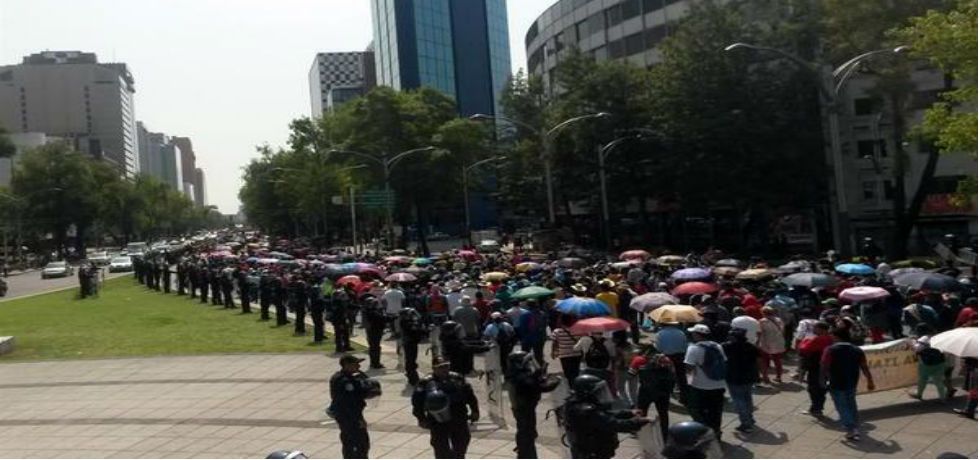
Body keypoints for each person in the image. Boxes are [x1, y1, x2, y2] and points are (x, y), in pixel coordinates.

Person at [561, 373, 650, 458]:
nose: (600, 394)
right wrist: (637, 422)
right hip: (593, 454)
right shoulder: (586, 411)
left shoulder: (577, 404)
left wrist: (628, 413)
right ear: (587, 393)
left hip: (588, 452)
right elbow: (613, 424)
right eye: (597, 392)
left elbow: (605, 414)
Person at [412, 358, 480, 459]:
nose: (444, 369)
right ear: (434, 368)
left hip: (458, 416)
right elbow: (417, 402)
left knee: (461, 444)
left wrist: (475, 410)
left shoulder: (457, 378)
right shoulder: (425, 382)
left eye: (446, 366)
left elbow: (470, 396)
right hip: (437, 420)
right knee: (441, 448)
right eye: (440, 367)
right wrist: (421, 418)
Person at [821, 327, 875, 440]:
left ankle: (851, 429)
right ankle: (855, 425)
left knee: (841, 406)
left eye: (831, 335)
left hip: (836, 382)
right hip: (852, 381)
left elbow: (824, 366)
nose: (830, 337)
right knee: (851, 404)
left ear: (837, 336)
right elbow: (864, 367)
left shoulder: (830, 350)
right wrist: (870, 381)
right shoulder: (857, 350)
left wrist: (822, 380)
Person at [505, 351, 560, 459]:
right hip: (524, 408)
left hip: (523, 407)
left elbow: (535, 377)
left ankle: (522, 449)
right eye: (527, 361)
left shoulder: (515, 373)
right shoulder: (521, 377)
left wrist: (538, 370)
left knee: (525, 430)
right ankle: (526, 454)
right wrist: (556, 382)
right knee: (527, 433)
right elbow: (541, 387)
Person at [328, 355, 382, 459]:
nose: (359, 366)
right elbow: (350, 403)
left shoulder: (341, 377)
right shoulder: (346, 382)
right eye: (355, 364)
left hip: (344, 416)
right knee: (360, 444)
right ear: (347, 365)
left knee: (349, 443)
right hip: (350, 417)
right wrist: (358, 420)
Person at [684, 324, 727, 439]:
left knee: (696, 409)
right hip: (719, 385)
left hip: (700, 386)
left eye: (693, 333)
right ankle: (716, 432)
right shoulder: (718, 346)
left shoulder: (693, 348)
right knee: (716, 411)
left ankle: (704, 432)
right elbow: (724, 361)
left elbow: (689, 368)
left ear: (698, 335)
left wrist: (688, 382)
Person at [630, 347, 675, 440]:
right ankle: (664, 434)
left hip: (645, 391)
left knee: (641, 411)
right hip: (663, 392)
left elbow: (631, 374)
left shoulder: (639, 360)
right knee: (663, 413)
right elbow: (673, 374)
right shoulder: (667, 360)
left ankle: (641, 431)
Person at [722, 328, 759, 434]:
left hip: (734, 377)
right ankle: (750, 418)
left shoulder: (726, 346)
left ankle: (746, 424)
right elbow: (758, 360)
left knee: (738, 401)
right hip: (749, 377)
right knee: (747, 398)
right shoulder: (750, 346)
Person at [798, 321, 834, 416]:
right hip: (827, 367)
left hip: (816, 367)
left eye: (815, 328)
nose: (813, 330)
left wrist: (805, 341)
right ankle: (817, 408)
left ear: (821, 329)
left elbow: (804, 349)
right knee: (821, 388)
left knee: (814, 388)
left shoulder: (819, 339)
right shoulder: (831, 338)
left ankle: (816, 409)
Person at [909, 324, 950, 400]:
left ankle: (919, 394)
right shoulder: (938, 336)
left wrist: (913, 341)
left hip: (926, 363)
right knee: (939, 381)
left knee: (922, 379)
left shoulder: (924, 338)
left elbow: (917, 349)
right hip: (940, 362)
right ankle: (943, 398)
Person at [655, 322, 689, 404]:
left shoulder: (660, 333)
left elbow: (658, 348)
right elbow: (685, 346)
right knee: (681, 378)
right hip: (680, 357)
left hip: (666, 357)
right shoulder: (681, 333)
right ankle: (683, 397)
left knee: (666, 377)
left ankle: (666, 397)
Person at [399, 306, 426, 384]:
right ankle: (412, 378)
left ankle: (411, 375)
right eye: (410, 314)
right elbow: (415, 330)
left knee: (411, 360)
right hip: (409, 343)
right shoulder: (406, 322)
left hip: (412, 342)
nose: (412, 315)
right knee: (410, 361)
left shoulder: (408, 321)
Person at [758, 306, 786, 384]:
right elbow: (783, 330)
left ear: (763, 313)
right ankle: (778, 377)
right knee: (777, 360)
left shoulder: (762, 321)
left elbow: (760, 333)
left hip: (766, 343)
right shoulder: (779, 320)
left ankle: (765, 377)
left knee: (765, 361)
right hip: (778, 342)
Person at [551, 316, 582, 383]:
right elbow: (580, 341)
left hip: (564, 355)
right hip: (576, 354)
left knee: (568, 373)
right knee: (576, 371)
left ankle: (572, 386)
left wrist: (553, 352)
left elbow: (554, 343)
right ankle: (575, 385)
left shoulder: (557, 331)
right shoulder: (577, 330)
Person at [362, 295, 387, 369]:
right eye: (374, 303)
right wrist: (393, 317)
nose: (376, 304)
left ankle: (373, 363)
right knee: (375, 348)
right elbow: (382, 319)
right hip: (374, 331)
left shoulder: (367, 310)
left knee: (373, 347)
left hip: (371, 331)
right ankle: (376, 363)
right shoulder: (372, 312)